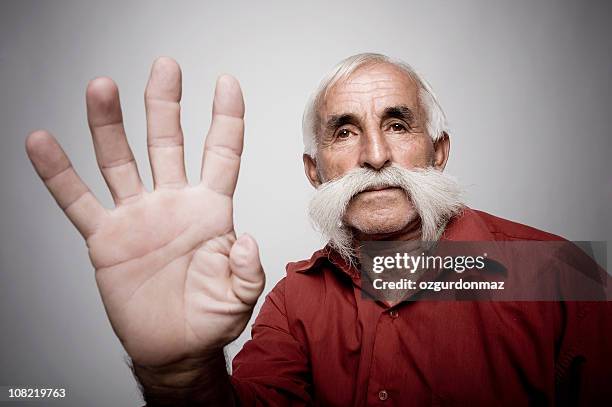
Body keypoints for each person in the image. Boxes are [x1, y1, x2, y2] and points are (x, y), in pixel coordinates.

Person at [25, 53, 610, 406]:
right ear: (315, 170)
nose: (376, 156)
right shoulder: (292, 302)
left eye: (398, 124)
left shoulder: (557, 274)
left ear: (439, 153)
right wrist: (177, 378)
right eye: (346, 132)